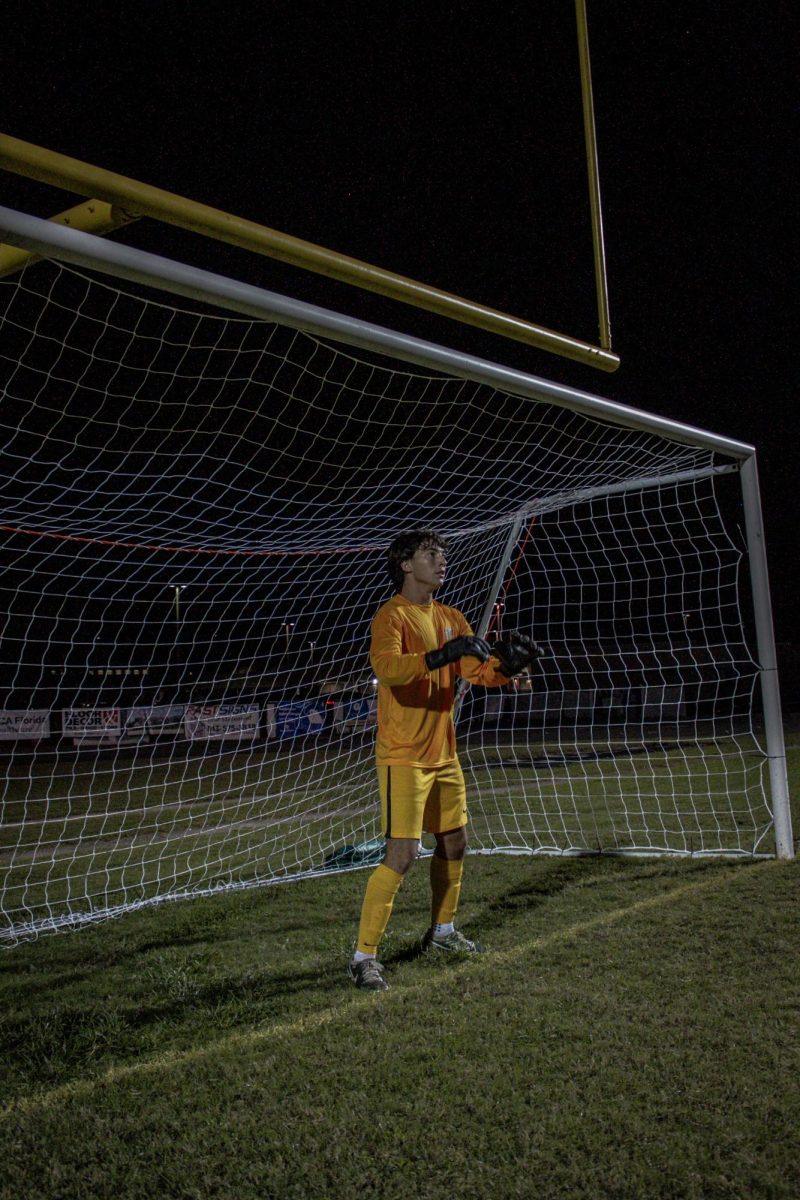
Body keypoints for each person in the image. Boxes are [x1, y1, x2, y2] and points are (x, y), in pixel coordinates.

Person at [348, 528, 538, 991]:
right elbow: (387, 669)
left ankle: (443, 932)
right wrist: (439, 655)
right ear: (406, 565)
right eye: (430, 554)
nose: (441, 561)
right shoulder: (390, 617)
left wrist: (508, 669)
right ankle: (363, 957)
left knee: (455, 843)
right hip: (404, 758)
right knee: (402, 853)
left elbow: (478, 670)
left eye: (442, 554)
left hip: (445, 755)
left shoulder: (454, 616)